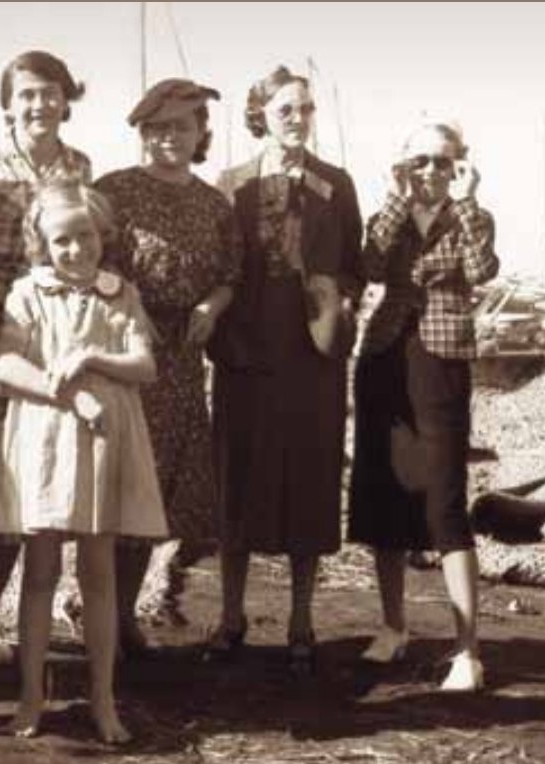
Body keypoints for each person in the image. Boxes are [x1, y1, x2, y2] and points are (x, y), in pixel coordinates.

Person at [0, 180, 167, 743]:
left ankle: (104, 699)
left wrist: (90, 356)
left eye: (84, 236)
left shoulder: (119, 292)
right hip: (47, 440)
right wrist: (66, 394)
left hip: (105, 441)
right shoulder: (27, 293)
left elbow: (145, 365)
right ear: (42, 243)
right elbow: (5, 365)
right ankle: (31, 697)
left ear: (101, 234)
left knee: (98, 574)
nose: (75, 249)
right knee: (40, 572)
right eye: (61, 240)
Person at [206, 65, 363, 672]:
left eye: (306, 108)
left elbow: (354, 267)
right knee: (237, 483)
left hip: (312, 359)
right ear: (261, 117)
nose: (298, 119)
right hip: (245, 353)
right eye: (285, 110)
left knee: (310, 484)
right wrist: (225, 336)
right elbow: (219, 269)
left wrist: (337, 303)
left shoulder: (336, 184)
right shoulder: (231, 184)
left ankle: (301, 619)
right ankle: (231, 616)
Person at [348, 120, 498, 692]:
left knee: (444, 502)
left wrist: (468, 201)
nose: (431, 172)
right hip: (383, 359)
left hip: (441, 364)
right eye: (420, 162)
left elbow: (481, 271)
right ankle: (393, 627)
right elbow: (370, 267)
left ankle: (468, 651)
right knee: (384, 493)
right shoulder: (390, 213)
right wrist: (395, 196)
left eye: (442, 161)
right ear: (404, 167)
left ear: (460, 165)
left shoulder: (471, 215)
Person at [95, 78, 241, 657]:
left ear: (201, 132)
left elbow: (231, 275)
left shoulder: (215, 205)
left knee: (154, 492)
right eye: (156, 129)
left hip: (181, 360)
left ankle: (124, 617)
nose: (168, 138)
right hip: (124, 352)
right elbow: (91, 265)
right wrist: (129, 308)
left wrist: (212, 306)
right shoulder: (114, 191)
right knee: (116, 486)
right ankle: (102, 618)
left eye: (181, 127)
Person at [0, 50, 92, 666]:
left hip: (48, 335)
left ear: (66, 99)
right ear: (9, 104)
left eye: (50, 93)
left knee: (21, 476)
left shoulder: (79, 166)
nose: (39, 105)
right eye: (27, 95)